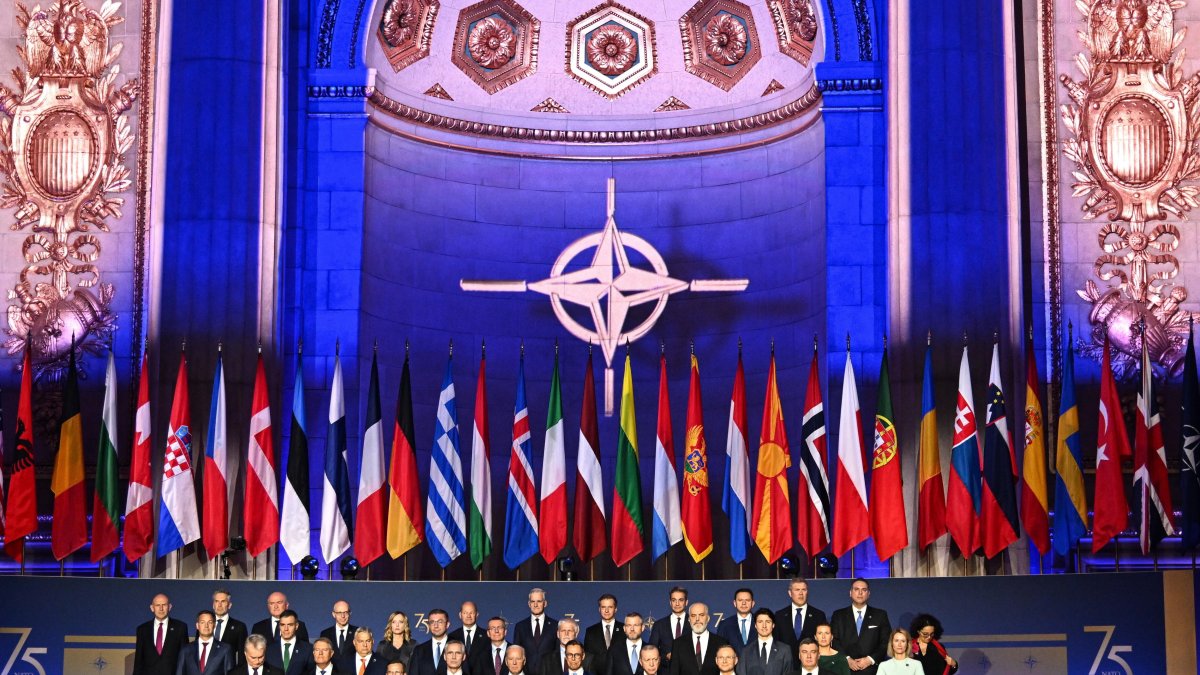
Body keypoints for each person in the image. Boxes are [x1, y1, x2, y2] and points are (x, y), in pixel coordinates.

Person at [828, 579, 889, 675]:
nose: (860, 593)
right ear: (850, 593)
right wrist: (846, 659)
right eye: (856, 589)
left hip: (872, 670)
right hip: (844, 670)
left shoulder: (880, 615)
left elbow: (885, 641)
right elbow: (834, 640)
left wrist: (870, 659)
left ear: (868, 593)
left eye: (864, 590)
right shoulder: (838, 615)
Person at [135, 593, 189, 675]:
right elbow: (138, 661)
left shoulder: (180, 628)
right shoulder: (142, 630)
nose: (161, 609)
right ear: (152, 608)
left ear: (170, 607)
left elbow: (185, 659)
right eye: (157, 605)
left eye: (164, 605)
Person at [773, 578, 826, 661]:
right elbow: (776, 642)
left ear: (807, 592)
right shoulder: (779, 615)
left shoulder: (818, 615)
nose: (801, 593)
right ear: (790, 593)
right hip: (786, 665)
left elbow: (823, 643)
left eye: (804, 590)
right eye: (797, 590)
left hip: (810, 664)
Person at [668, 603, 728, 675]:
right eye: (693, 616)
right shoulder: (678, 644)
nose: (697, 619)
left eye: (701, 615)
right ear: (689, 619)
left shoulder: (721, 643)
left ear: (708, 618)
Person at [177, 609, 235, 675]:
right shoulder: (186, 650)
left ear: (214, 625)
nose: (206, 626)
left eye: (209, 622)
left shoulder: (225, 649)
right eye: (202, 622)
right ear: (197, 626)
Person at [514, 589, 557, 675]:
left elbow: (557, 653)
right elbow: (517, 652)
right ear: (529, 604)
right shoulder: (520, 626)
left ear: (545, 603)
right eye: (533, 601)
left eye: (539, 601)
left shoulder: (555, 625)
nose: (536, 605)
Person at [734, 609, 787, 675]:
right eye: (760, 622)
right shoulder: (746, 651)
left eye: (768, 622)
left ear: (773, 625)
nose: (764, 626)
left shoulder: (785, 650)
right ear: (755, 625)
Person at [583, 594, 621, 674]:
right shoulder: (590, 631)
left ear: (616, 609)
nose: (606, 611)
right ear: (599, 609)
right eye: (603, 607)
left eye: (610, 607)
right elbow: (587, 658)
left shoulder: (624, 629)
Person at [266, 610, 312, 675]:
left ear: (296, 626)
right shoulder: (269, 650)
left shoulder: (308, 649)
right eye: (282, 625)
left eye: (290, 625)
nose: (286, 629)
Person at [212, 589, 249, 666]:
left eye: (223, 601)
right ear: (213, 605)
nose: (219, 605)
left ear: (229, 605)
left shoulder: (239, 627)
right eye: (216, 601)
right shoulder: (204, 624)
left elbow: (242, 656)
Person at [648, 588, 688, 660]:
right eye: (674, 600)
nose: (677, 603)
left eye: (681, 600)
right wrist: (666, 656)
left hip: (689, 669)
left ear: (686, 602)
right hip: (666, 669)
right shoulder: (659, 625)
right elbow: (652, 650)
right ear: (670, 602)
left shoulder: (694, 623)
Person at [410, 609, 453, 675]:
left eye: (440, 622)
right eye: (432, 622)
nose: (436, 626)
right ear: (428, 625)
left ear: (447, 624)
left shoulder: (458, 647)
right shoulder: (419, 650)